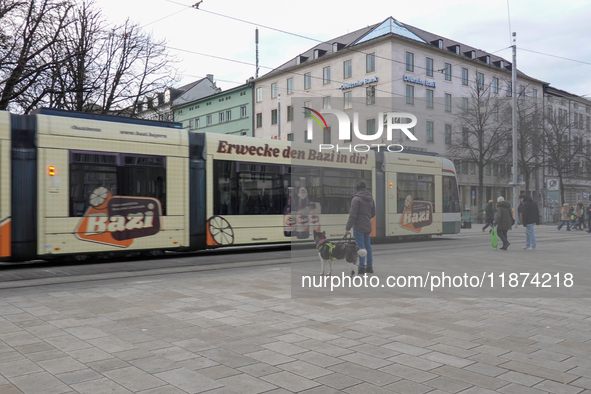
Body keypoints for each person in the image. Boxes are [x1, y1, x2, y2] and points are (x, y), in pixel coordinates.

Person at [345, 181, 376, 275]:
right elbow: (373, 213)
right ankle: (369, 267)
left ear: (356, 189)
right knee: (368, 246)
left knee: (360, 247)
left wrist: (348, 228)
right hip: (367, 226)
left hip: (358, 227)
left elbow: (353, 215)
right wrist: (366, 219)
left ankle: (362, 268)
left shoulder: (356, 199)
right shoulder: (371, 199)